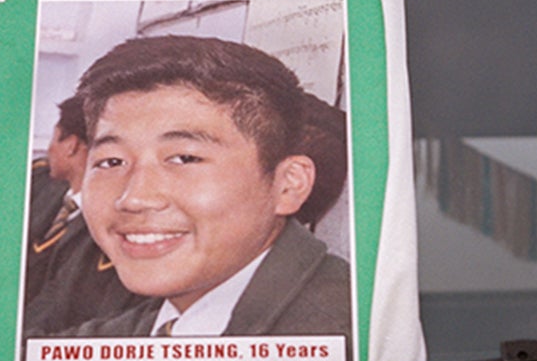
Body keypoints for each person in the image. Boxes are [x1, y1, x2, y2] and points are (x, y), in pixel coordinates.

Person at [65, 34, 354, 340]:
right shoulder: (160, 319)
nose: (134, 198)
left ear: (287, 186)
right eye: (111, 162)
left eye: (184, 158)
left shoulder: (341, 336)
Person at [22, 95, 139, 335]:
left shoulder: (113, 227)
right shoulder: (40, 183)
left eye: (54, 139)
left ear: (72, 145)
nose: (49, 149)